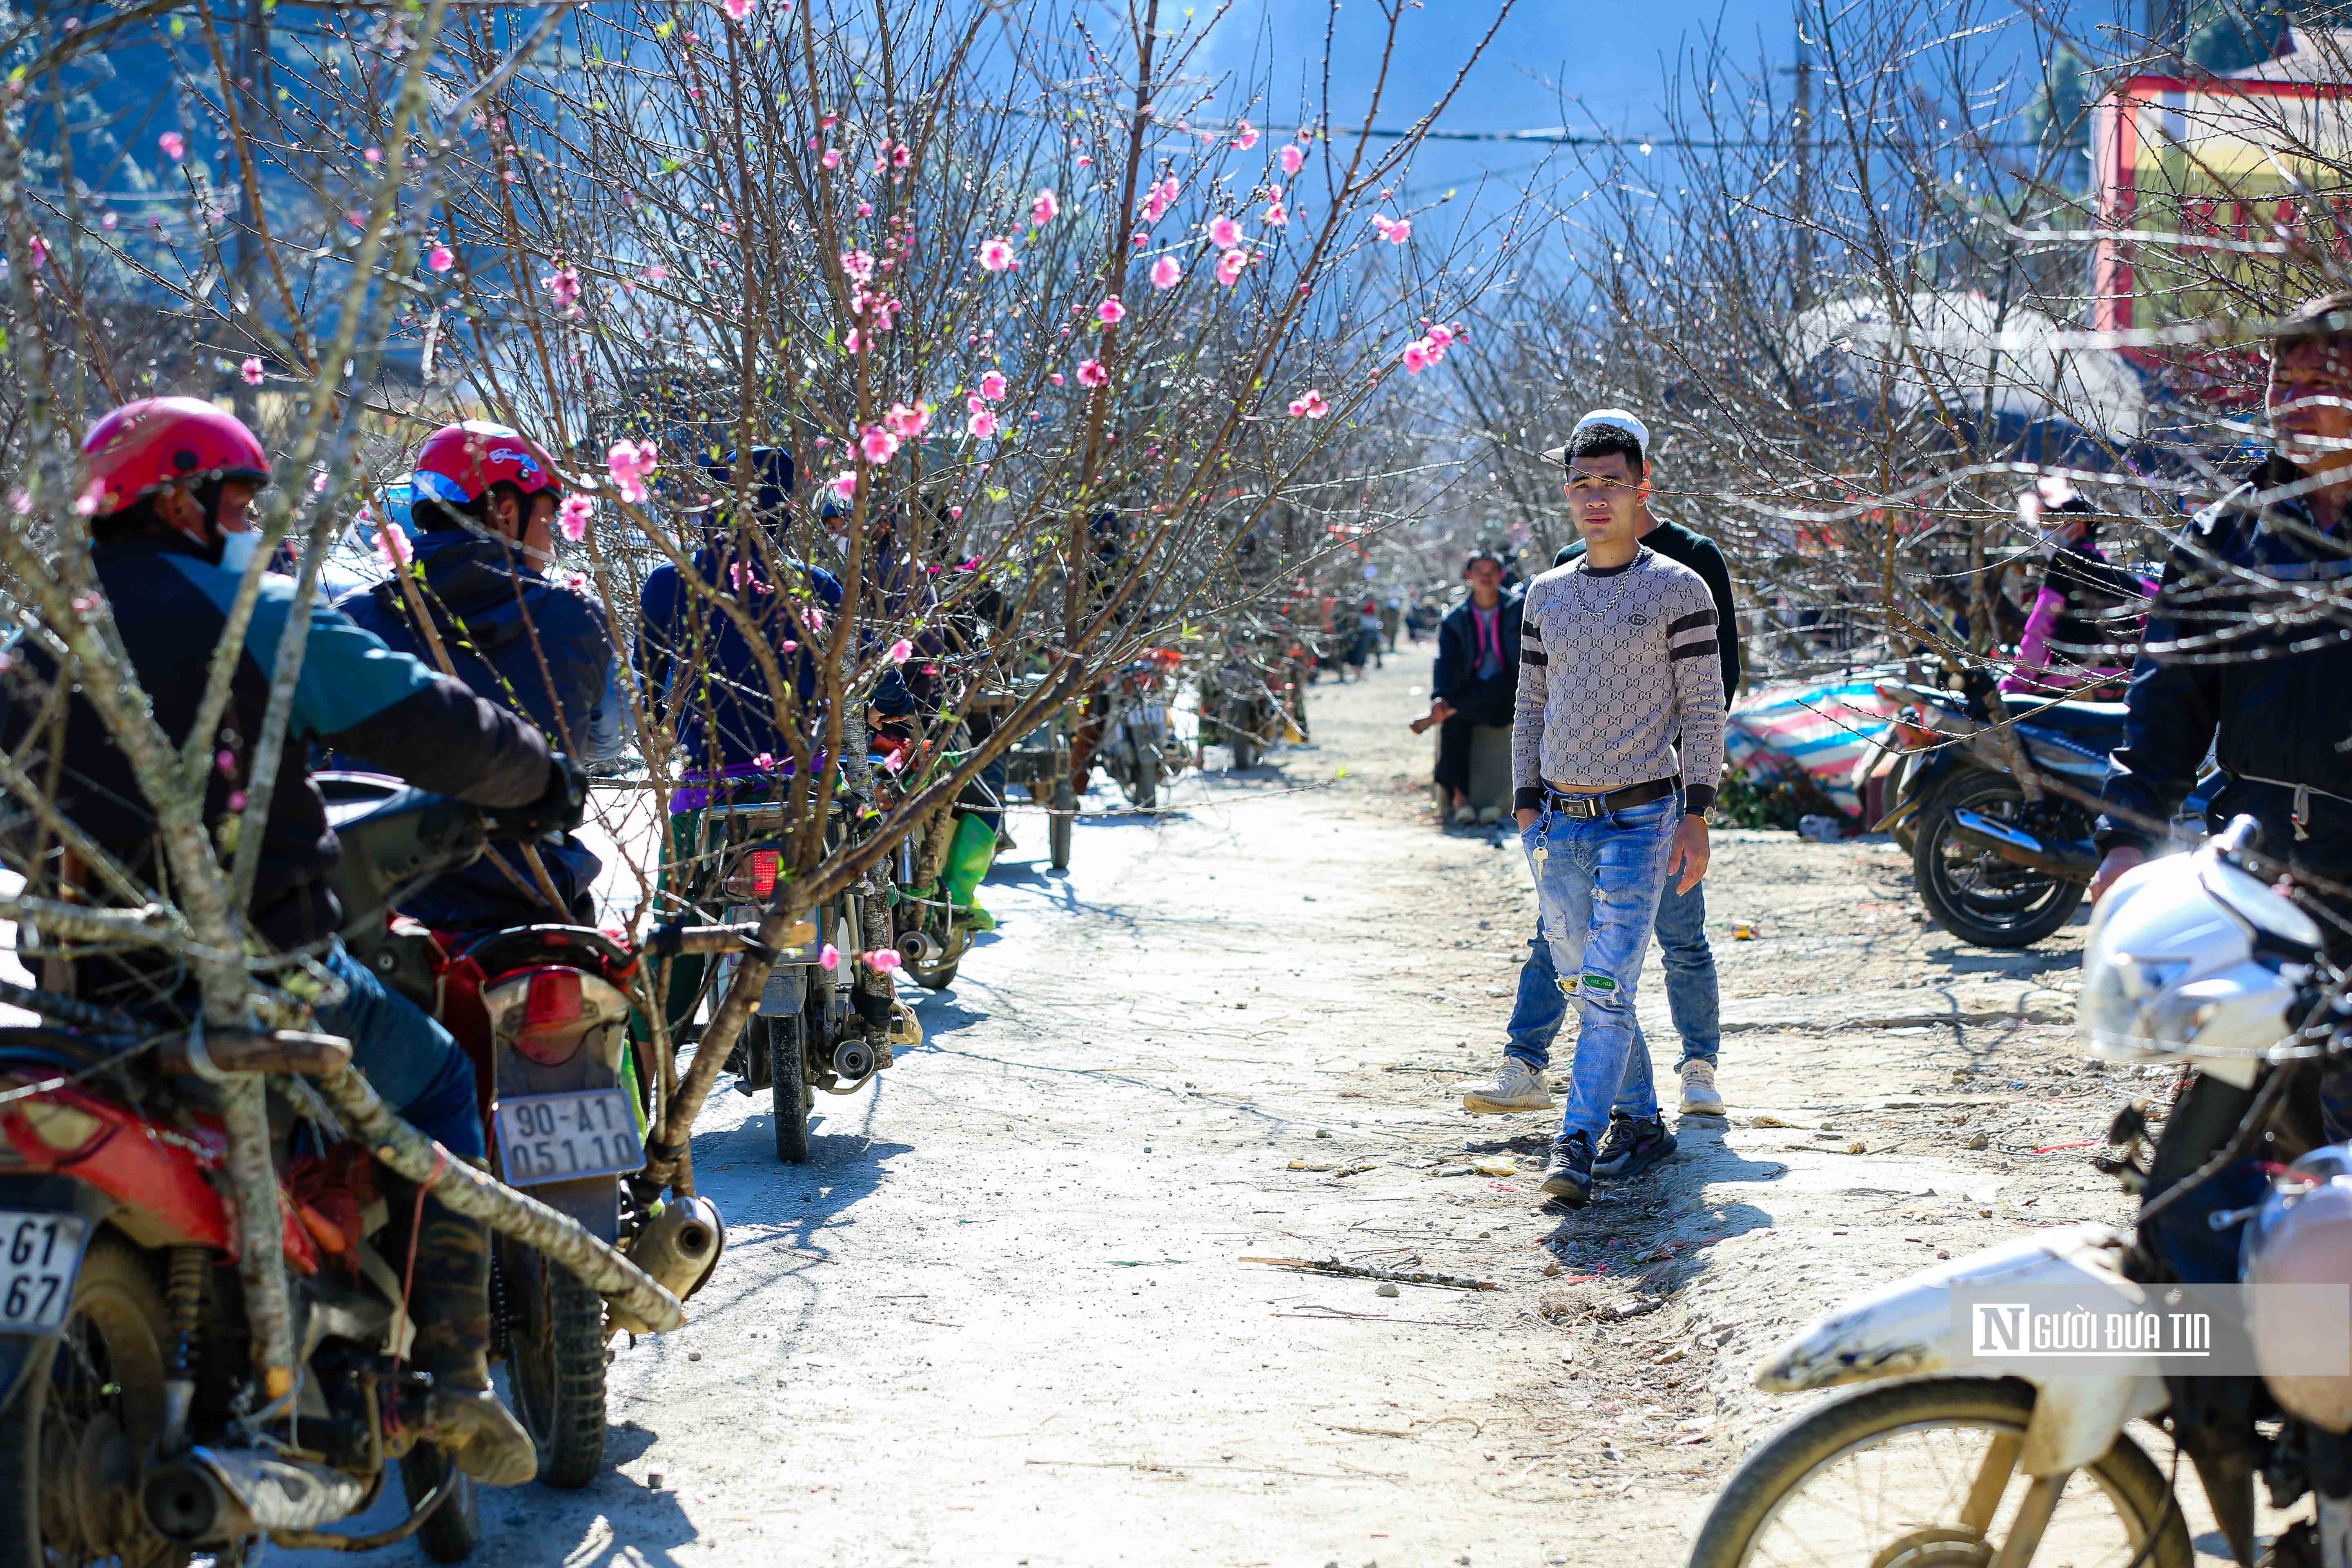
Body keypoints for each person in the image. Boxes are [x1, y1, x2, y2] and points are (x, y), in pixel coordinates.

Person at [4, 397, 581, 1486]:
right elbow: (432, 720)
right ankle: (453, 1377)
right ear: (174, 501)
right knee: (447, 1082)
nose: (246, 522)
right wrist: (545, 778)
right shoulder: (252, 615)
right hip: (270, 986)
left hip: (86, 1007)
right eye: (234, 499)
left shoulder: (36, 653)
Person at [2092, 291, 2352, 1285]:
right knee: (2234, 1143)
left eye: (2320, 382)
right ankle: (2252, 1397)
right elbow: (2164, 702)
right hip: (2256, 891)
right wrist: (2125, 835)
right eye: (2280, 381)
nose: (2292, 402)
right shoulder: (2224, 536)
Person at [1458, 410, 1725, 1208]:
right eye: (1582, 483)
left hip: (1643, 818)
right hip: (1560, 822)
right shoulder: (1545, 594)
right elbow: (1530, 704)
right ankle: (1640, 1122)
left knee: (1607, 985)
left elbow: (1705, 709)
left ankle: (1572, 1144)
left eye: (1613, 482)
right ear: (1566, 494)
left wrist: (1698, 811)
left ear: (1643, 490)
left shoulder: (1682, 588)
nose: (1596, 496)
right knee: (1582, 980)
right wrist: (1527, 805)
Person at [335, 421, 627, 928]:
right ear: (507, 512)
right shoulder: (574, 617)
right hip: (530, 899)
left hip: (386, 907)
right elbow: (607, 740)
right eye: (549, 518)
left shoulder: (355, 618)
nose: (552, 538)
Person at [1999, 479, 2152, 697]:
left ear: (2077, 527)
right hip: (2119, 688)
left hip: (2069, 685)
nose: (2044, 533)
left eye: (2050, 525)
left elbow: (2039, 632)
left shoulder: (2064, 563)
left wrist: (2015, 687)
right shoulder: (2117, 573)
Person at [1415, 550, 1523, 826]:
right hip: (1470, 692)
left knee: (1498, 684)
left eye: (1492, 572)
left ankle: (1446, 714)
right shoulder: (1456, 619)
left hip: (1512, 693)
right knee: (1453, 722)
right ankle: (1459, 800)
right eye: (1479, 572)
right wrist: (1439, 697)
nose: (1486, 578)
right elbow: (1445, 664)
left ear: (1501, 575)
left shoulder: (1520, 610)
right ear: (1468, 577)